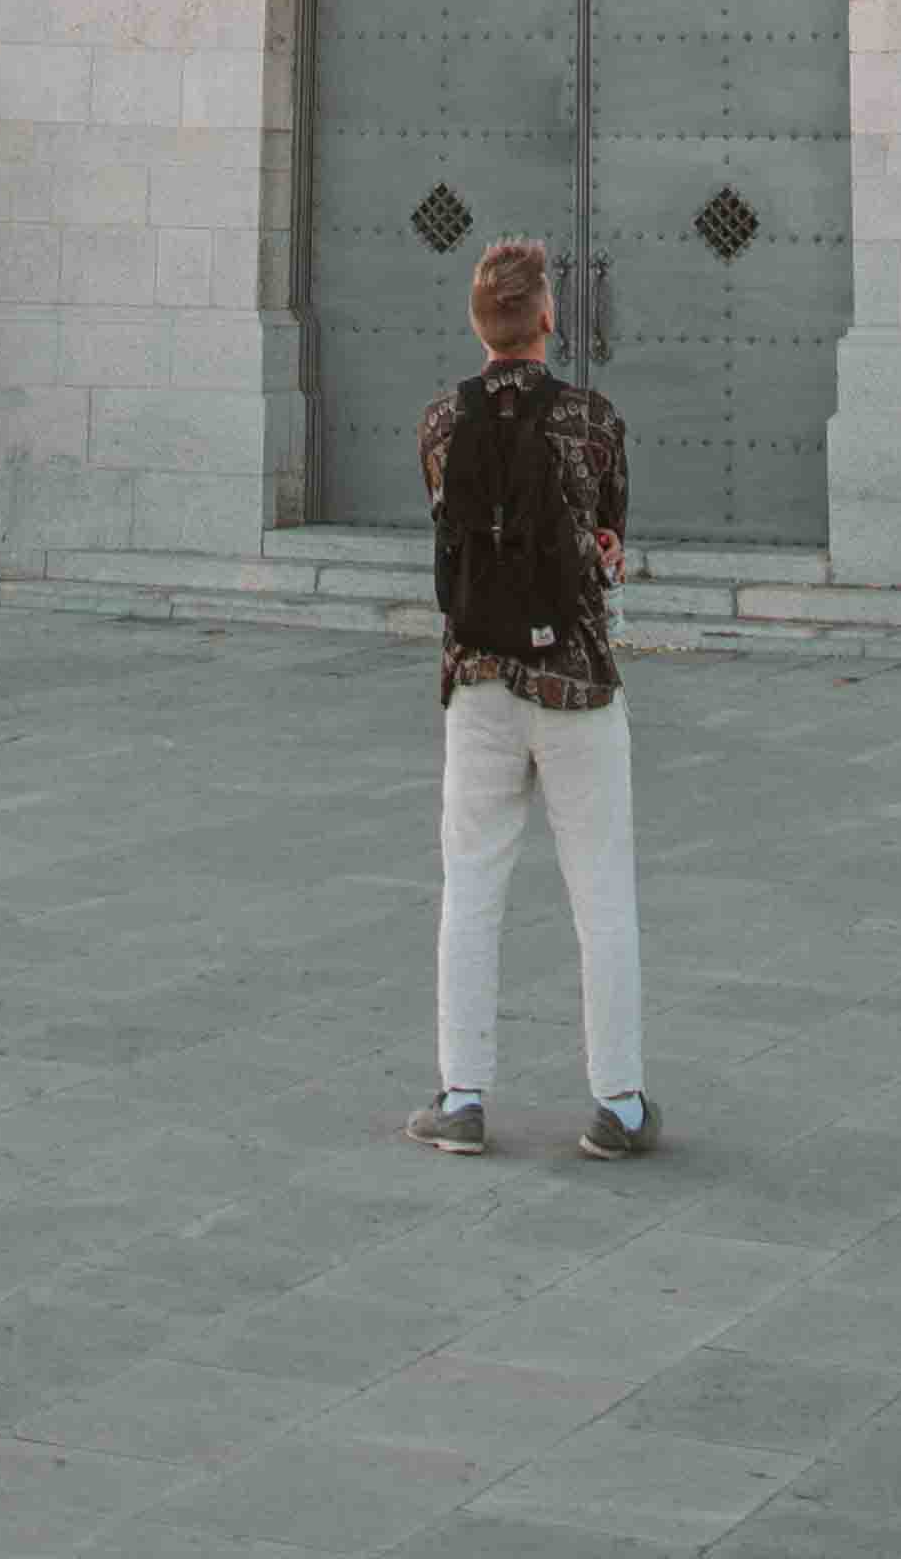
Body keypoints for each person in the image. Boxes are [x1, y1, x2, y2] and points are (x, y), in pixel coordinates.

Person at [405, 234, 654, 1161]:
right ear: (547, 316)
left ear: (479, 322)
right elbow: (609, 529)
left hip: (476, 680)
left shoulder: (438, 423)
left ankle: (462, 1096)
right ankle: (618, 1102)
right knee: (602, 895)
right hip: (578, 686)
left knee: (470, 887)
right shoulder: (593, 419)